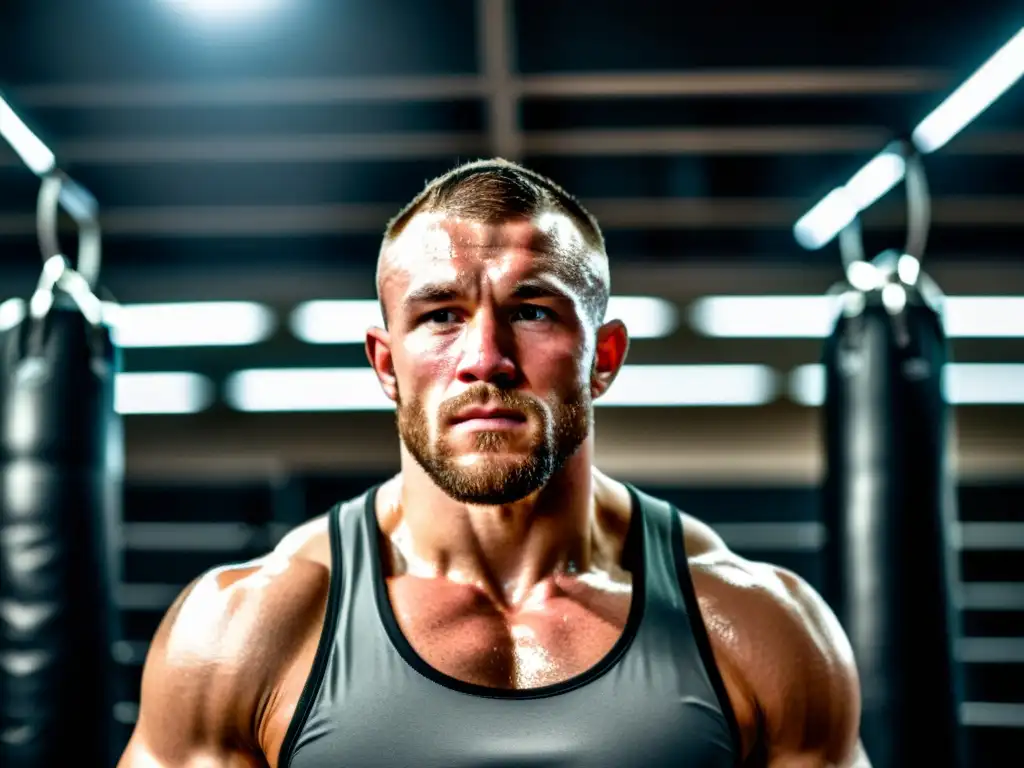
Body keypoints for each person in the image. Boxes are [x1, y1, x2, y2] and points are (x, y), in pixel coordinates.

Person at [119, 159, 870, 768]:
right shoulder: (242, 632)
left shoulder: (756, 624)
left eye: (532, 310)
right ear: (386, 364)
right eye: (441, 315)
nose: (486, 359)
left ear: (603, 356)